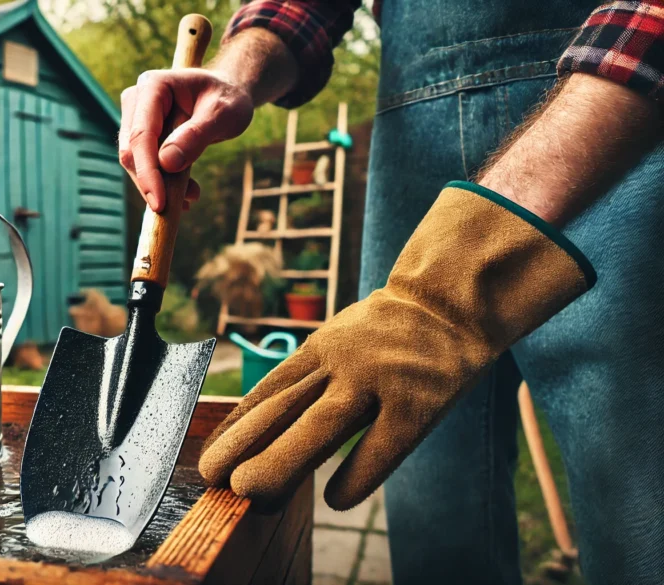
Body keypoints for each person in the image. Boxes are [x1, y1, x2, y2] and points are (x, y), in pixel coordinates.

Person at [118, 1, 664, 583]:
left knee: (637, 510)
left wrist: (437, 300)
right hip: (412, 139)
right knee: (429, 515)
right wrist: (234, 73)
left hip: (612, 118)